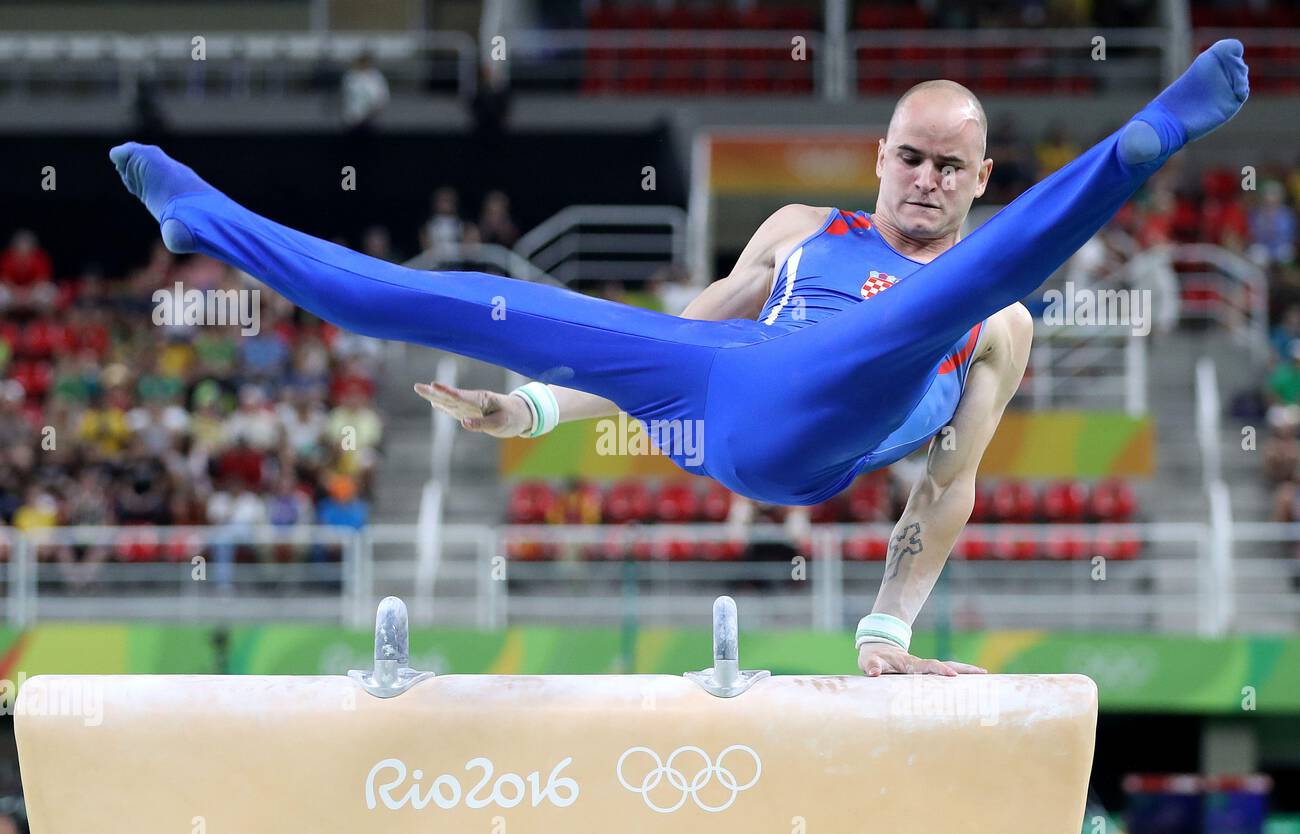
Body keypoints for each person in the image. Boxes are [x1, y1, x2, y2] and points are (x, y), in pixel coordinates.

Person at [109, 41, 1250, 674]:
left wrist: (885, 630)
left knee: (960, 293)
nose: (926, 182)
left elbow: (944, 491)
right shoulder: (801, 229)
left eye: (952, 169)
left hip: (821, 428)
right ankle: (207, 222)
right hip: (724, 382)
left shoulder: (999, 324)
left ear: (980, 177)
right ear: (880, 156)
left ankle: (1132, 147)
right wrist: (539, 414)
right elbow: (682, 337)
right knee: (473, 299)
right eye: (911, 158)